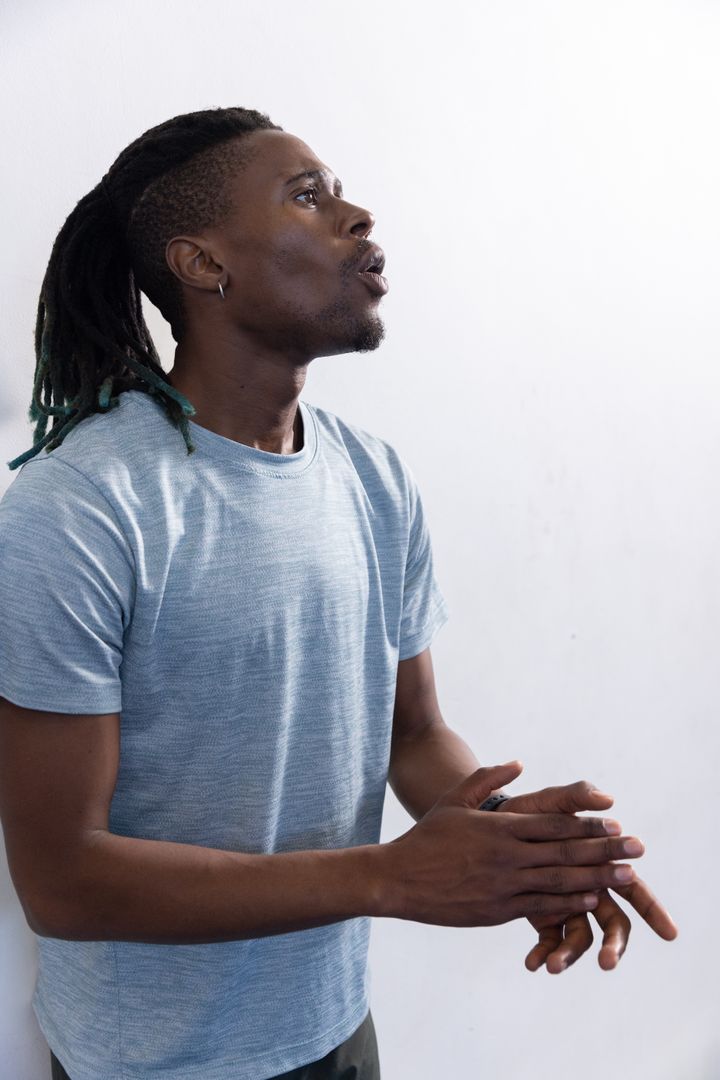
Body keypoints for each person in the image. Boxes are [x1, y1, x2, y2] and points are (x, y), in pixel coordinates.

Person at [0, 106, 676, 1080]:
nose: (358, 217)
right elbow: (62, 880)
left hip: (334, 1030)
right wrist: (389, 877)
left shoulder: (372, 476)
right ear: (203, 264)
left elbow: (412, 733)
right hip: (152, 1062)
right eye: (309, 197)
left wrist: (514, 849)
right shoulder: (80, 508)